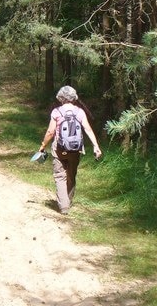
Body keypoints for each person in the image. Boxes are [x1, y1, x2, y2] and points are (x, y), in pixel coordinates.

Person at [39, 85, 102, 215]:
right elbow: (88, 129)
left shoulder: (56, 112)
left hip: (59, 150)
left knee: (60, 176)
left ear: (60, 97)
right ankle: (68, 200)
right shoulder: (80, 111)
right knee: (71, 175)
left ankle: (64, 206)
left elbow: (51, 132)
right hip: (75, 150)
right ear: (74, 97)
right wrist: (96, 146)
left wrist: (43, 146)